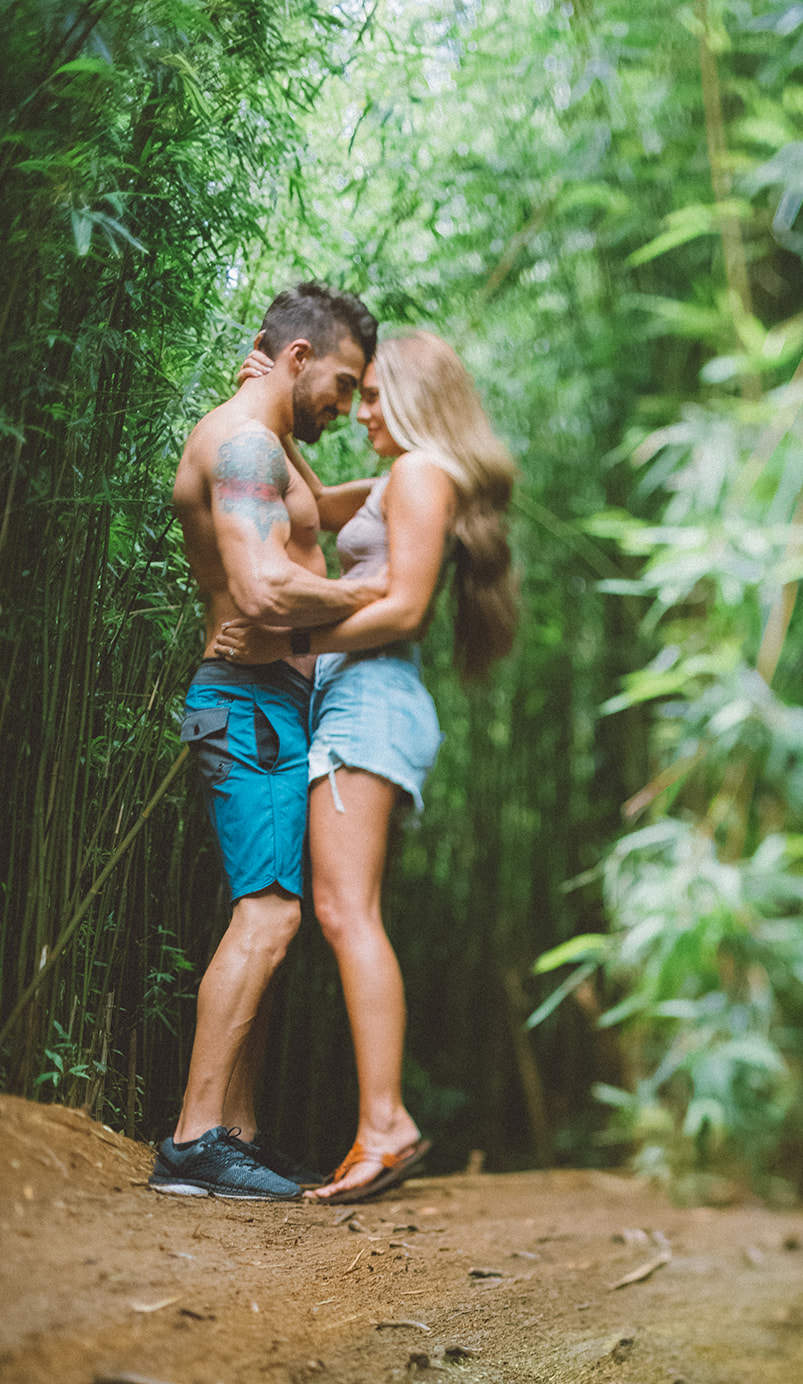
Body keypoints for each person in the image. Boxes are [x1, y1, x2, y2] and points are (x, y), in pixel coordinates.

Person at [213, 330, 518, 1203]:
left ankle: (385, 1122)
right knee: (349, 910)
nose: (364, 412)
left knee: (349, 912)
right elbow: (314, 501)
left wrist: (289, 635)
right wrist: (269, 395)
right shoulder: (400, 480)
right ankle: (381, 1119)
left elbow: (405, 611)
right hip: (361, 700)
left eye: (379, 396)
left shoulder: (423, 475)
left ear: (419, 401)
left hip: (371, 698)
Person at [151, 282, 383, 1202]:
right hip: (247, 698)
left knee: (268, 905)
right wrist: (377, 598)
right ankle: (195, 1138)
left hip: (264, 702)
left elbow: (317, 516)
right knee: (273, 914)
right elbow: (261, 589)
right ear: (295, 360)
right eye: (342, 381)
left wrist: (416, 483)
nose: (346, 403)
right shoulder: (246, 444)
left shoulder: (265, 441)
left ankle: (235, 1134)